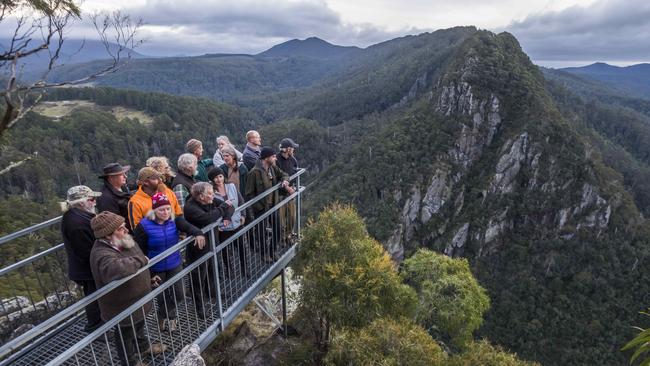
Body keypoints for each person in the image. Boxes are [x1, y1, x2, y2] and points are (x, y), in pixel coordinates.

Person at [89, 211, 166, 366]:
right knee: (125, 336)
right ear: (107, 235)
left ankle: (143, 347)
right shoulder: (101, 254)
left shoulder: (123, 240)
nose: (126, 230)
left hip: (138, 300)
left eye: (124, 226)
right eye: (120, 228)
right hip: (122, 306)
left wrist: (148, 278)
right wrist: (142, 260)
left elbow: (137, 262)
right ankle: (130, 362)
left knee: (138, 326)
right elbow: (117, 268)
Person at [133, 192, 205, 332]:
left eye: (168, 209)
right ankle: (171, 318)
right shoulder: (143, 226)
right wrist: (149, 273)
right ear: (154, 210)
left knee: (180, 294)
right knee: (162, 296)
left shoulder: (175, 220)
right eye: (161, 209)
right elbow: (139, 250)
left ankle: (161, 314)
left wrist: (198, 233)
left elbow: (189, 227)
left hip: (174, 263)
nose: (166, 212)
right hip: (155, 267)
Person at [183, 182, 234, 318]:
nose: (213, 196)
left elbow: (230, 206)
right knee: (199, 277)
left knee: (213, 270)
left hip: (212, 241)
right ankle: (199, 306)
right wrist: (223, 208)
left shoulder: (210, 200)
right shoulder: (190, 207)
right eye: (210, 194)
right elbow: (208, 218)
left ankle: (211, 293)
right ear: (201, 196)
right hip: (198, 247)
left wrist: (227, 216)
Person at [61, 185, 103, 332]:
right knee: (94, 298)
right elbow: (86, 251)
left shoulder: (74, 216)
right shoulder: (78, 224)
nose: (95, 202)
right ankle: (95, 327)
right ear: (81, 203)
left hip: (84, 267)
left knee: (95, 296)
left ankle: (98, 324)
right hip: (87, 269)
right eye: (91, 199)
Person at [245, 146, 293, 262]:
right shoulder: (254, 173)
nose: (275, 158)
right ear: (266, 158)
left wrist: (285, 181)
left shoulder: (272, 168)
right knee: (261, 234)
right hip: (261, 209)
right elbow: (249, 194)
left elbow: (284, 174)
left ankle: (272, 250)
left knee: (277, 229)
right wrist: (258, 207)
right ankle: (264, 254)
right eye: (273, 156)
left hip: (273, 205)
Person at [208, 167, 247, 277]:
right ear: (212, 180)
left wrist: (243, 215)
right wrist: (217, 226)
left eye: (220, 176)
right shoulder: (211, 193)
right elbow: (212, 210)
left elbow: (241, 201)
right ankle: (229, 271)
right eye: (215, 178)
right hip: (223, 227)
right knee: (225, 250)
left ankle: (245, 269)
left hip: (237, 222)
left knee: (241, 248)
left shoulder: (232, 186)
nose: (219, 179)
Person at [276, 138, 300, 247]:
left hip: (290, 194)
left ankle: (288, 235)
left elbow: (294, 173)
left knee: (291, 218)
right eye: (292, 148)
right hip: (280, 195)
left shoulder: (293, 160)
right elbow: (276, 178)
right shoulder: (276, 160)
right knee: (281, 220)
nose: (293, 150)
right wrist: (288, 188)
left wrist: (293, 187)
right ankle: (282, 238)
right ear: (287, 149)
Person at [96, 163, 132, 231]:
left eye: (125, 173)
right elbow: (112, 224)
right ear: (111, 178)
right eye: (121, 174)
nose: (125, 177)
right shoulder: (105, 198)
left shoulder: (123, 187)